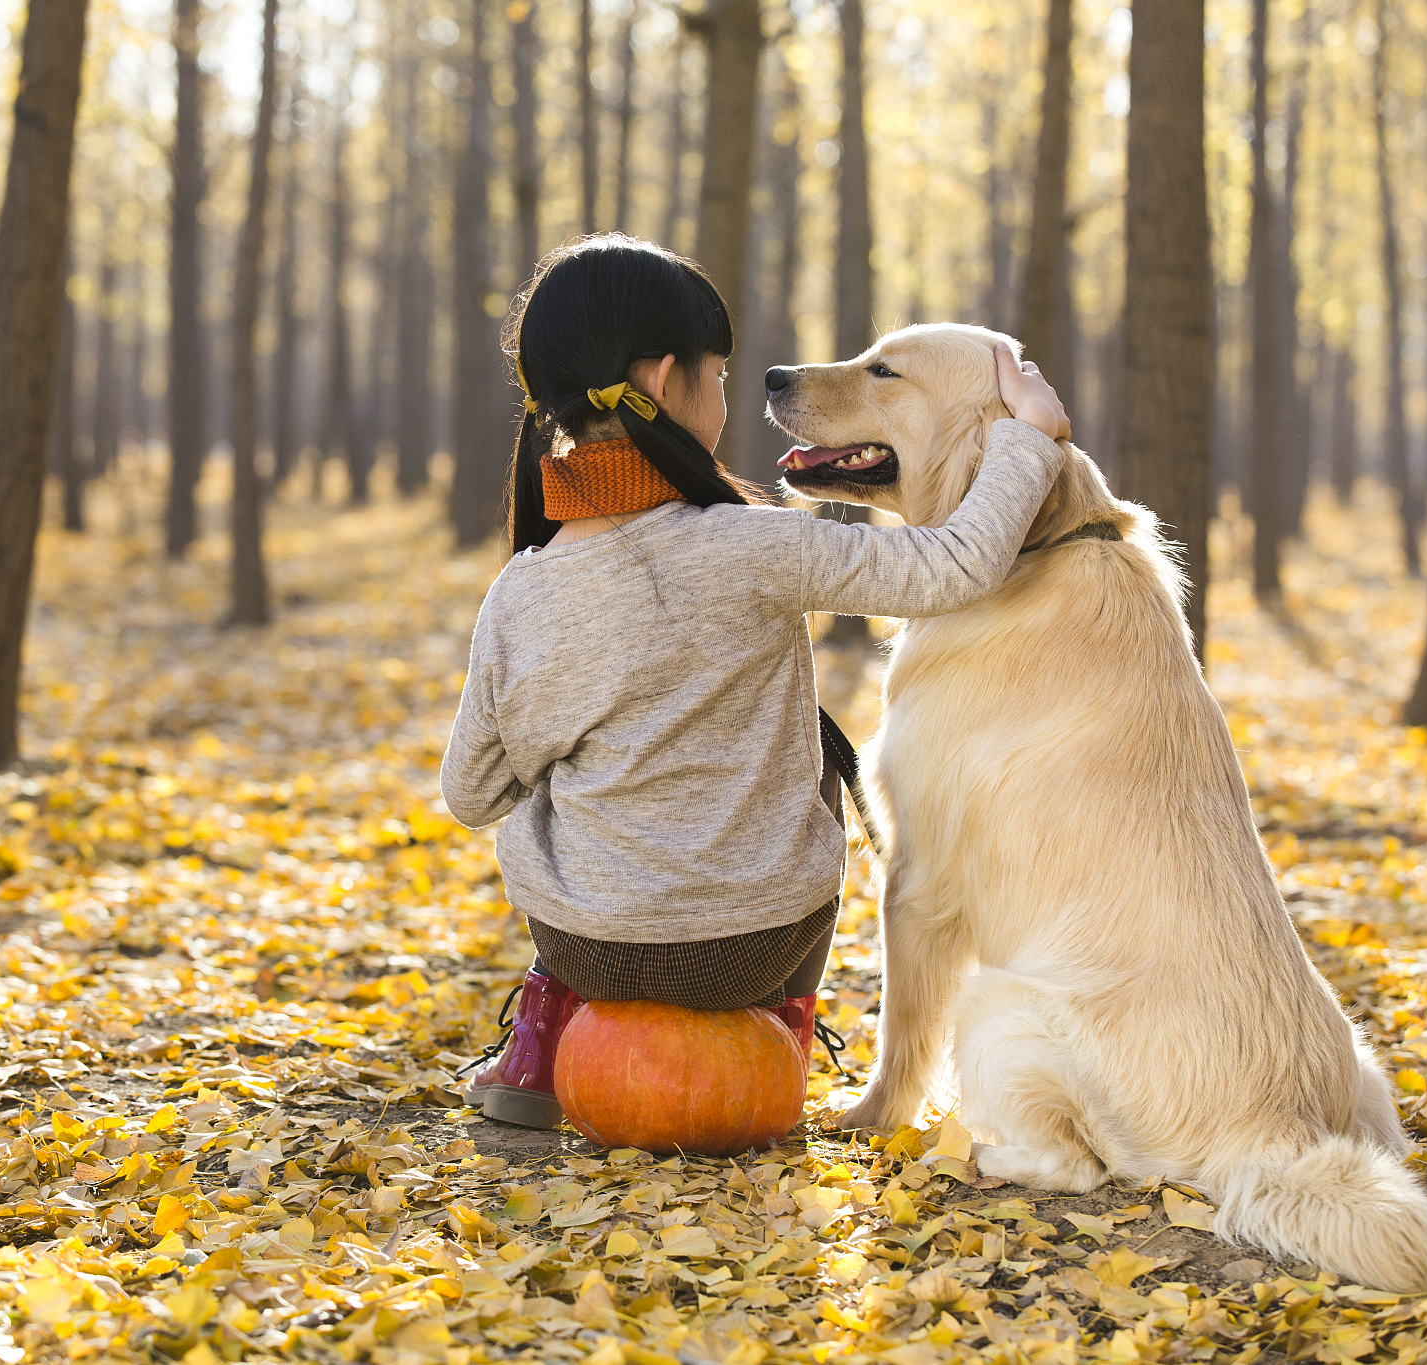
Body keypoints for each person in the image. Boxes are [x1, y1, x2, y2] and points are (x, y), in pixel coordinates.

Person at [441, 234, 1071, 1129]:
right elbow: (954, 567)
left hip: (593, 948)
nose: (732, 397)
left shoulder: (517, 593)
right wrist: (1028, 440)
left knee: (560, 792)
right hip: (753, 946)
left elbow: (470, 794)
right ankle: (784, 1027)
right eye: (721, 375)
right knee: (819, 748)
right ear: (664, 382)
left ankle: (543, 1036)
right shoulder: (755, 542)